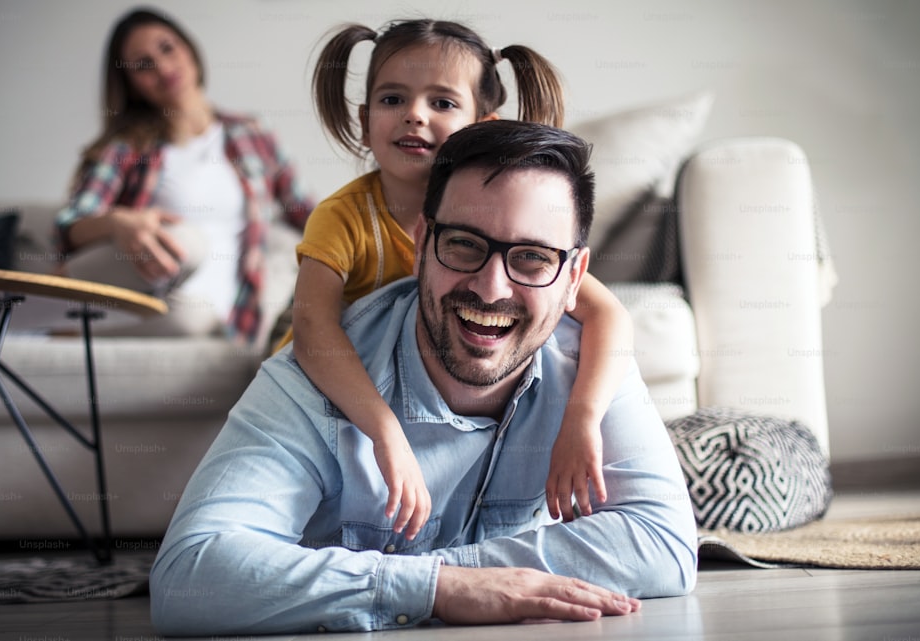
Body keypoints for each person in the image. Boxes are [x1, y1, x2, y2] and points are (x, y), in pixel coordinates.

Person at [150, 120, 697, 636]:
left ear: (574, 277)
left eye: (531, 259)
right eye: (463, 244)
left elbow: (665, 545)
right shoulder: (310, 380)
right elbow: (188, 576)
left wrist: (447, 578)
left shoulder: (588, 369)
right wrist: (442, 589)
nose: (490, 289)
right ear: (420, 245)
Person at [276, 18, 634, 541]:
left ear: (481, 124)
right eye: (392, 99)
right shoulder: (343, 216)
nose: (414, 115)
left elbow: (607, 313)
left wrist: (581, 420)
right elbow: (311, 332)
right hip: (341, 390)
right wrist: (384, 431)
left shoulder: (502, 224)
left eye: (441, 103)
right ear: (363, 116)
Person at [54, 7, 312, 344]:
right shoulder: (127, 148)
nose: (162, 67)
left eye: (167, 48)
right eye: (143, 65)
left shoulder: (253, 133)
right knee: (188, 255)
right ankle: (66, 325)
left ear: (188, 48)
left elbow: (303, 210)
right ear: (131, 85)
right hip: (163, 299)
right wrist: (118, 222)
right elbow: (70, 226)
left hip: (235, 310)